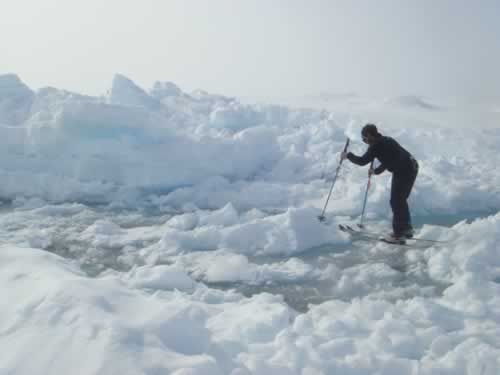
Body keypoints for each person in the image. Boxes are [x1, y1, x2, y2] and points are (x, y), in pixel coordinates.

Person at [341, 124, 419, 243]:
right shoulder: (387, 140)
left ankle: (398, 235)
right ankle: (406, 229)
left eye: (364, 139)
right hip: (411, 167)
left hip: (404, 170)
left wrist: (348, 155)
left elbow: (362, 161)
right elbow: (389, 161)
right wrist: (375, 171)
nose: (365, 142)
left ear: (369, 135)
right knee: (400, 199)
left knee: (396, 200)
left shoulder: (376, 145)